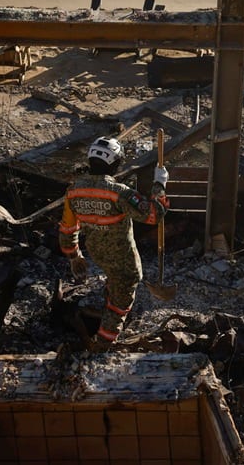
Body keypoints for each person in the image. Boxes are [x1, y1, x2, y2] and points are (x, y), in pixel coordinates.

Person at [59, 136, 169, 351]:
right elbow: (154, 215)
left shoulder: (74, 191)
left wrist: (74, 255)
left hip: (97, 252)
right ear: (116, 163)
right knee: (121, 302)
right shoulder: (118, 193)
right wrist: (159, 185)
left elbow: (67, 228)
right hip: (122, 258)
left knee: (114, 282)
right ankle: (102, 345)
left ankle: (108, 306)